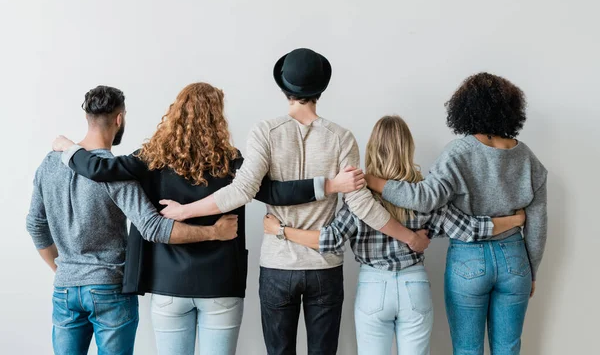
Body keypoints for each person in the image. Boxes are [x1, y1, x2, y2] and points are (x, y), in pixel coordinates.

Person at [52, 82, 360, 355]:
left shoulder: (151, 157)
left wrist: (68, 148)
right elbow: (275, 193)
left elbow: (100, 170)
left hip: (168, 285)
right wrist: (330, 185)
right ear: (218, 118)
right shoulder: (232, 160)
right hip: (221, 285)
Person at [158, 49, 432, 355]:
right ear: (320, 91)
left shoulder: (266, 132)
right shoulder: (341, 137)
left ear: (284, 89)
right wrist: (409, 237)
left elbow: (241, 190)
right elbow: (362, 205)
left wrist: (185, 210)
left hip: (278, 266)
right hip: (324, 268)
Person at [262, 115, 526, 355]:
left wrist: (280, 230)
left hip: (373, 287)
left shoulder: (360, 195)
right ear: (408, 148)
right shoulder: (425, 193)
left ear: (371, 148)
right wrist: (515, 219)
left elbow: (329, 240)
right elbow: (470, 229)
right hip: (415, 286)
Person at [27, 85, 237, 355]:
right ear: (119, 119)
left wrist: (62, 269)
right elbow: (153, 227)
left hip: (65, 289)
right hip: (109, 288)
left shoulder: (50, 163)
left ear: (87, 118)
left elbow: (35, 224)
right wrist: (214, 232)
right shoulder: (116, 173)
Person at [366, 73, 548, 355]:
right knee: (509, 348)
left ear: (466, 109)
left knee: (466, 349)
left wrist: (375, 182)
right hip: (515, 260)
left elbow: (424, 199)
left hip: (469, 259)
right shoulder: (527, 158)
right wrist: (532, 272)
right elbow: (538, 225)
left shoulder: (459, 152)